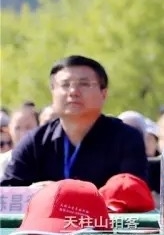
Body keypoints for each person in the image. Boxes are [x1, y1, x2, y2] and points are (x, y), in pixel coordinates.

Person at [1, 55, 148, 188]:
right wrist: (32, 193)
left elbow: (132, 193)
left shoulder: (126, 138)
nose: (73, 92)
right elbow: (8, 194)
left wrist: (71, 194)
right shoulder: (34, 142)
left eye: (84, 84)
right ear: (53, 92)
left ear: (103, 93)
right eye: (65, 85)